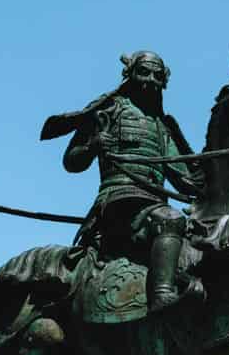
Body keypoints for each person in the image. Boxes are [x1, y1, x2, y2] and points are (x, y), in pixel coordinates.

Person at [41, 50, 200, 311]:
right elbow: (72, 161)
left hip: (153, 204)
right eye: (144, 72)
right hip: (119, 202)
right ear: (130, 75)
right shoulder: (109, 112)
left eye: (157, 76)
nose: (150, 80)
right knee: (171, 219)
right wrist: (93, 144)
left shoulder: (162, 126)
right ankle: (162, 296)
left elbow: (184, 179)